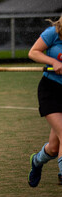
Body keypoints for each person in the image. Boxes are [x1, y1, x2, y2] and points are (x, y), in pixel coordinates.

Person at [28, 15, 62, 187]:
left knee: (54, 149)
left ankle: (37, 161)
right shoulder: (53, 33)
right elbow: (33, 52)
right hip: (51, 90)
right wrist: (53, 62)